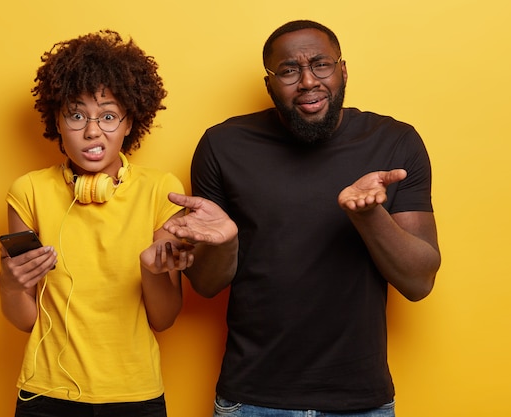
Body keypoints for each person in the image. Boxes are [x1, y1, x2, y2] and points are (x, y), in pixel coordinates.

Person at [163, 20, 441, 416]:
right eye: (290, 70)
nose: (308, 81)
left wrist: (367, 216)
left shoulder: (395, 142)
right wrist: (224, 242)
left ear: (343, 70)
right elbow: (207, 285)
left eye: (321, 65)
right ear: (270, 83)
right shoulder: (223, 145)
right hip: (252, 400)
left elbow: (419, 281)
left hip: (360, 402)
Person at [0, 30, 193, 417]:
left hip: (135, 394)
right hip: (45, 393)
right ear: (57, 118)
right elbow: (26, 321)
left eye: (107, 115)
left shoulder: (161, 190)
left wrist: (151, 271)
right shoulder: (29, 191)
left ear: (129, 122)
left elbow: (164, 318)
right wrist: (8, 283)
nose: (91, 131)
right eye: (76, 114)